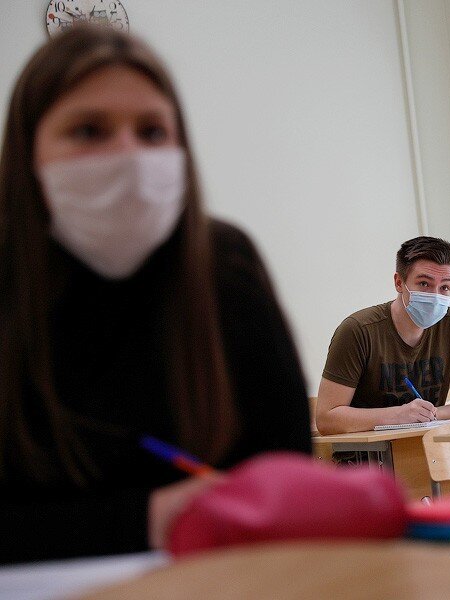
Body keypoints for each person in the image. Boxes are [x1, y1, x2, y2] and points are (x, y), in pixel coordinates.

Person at [0, 26, 312, 564]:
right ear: (28, 152)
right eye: (88, 130)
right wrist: (148, 517)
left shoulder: (225, 264)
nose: (129, 156)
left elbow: (286, 473)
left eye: (151, 132)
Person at [315, 236, 450, 435]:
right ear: (399, 282)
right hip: (370, 451)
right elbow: (326, 418)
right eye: (424, 284)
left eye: (445, 287)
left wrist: (434, 414)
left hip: (429, 447)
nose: (435, 296)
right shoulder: (358, 330)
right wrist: (399, 415)